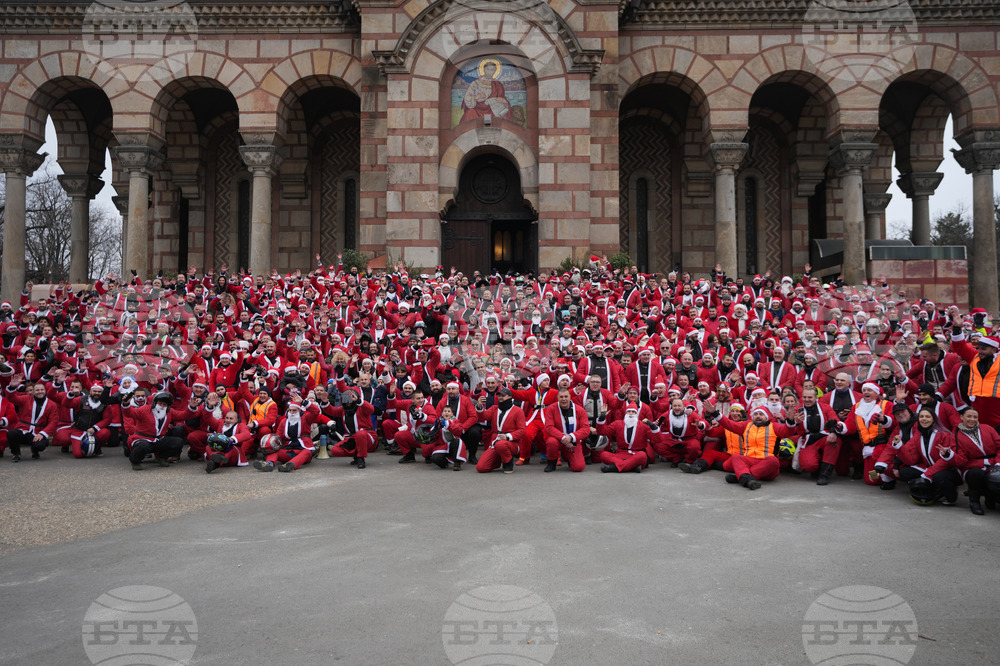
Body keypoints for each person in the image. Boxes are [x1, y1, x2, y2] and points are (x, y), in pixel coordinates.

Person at [895, 406, 964, 506]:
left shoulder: (944, 435)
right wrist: (899, 446)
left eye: (927, 416)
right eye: (921, 416)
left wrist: (928, 474)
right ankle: (933, 489)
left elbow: (945, 461)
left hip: (949, 470)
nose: (924, 419)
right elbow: (910, 460)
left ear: (933, 419)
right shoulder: (918, 435)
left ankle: (951, 496)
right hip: (930, 468)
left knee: (939, 476)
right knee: (905, 472)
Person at [951, 407, 1000, 515]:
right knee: (976, 473)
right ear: (961, 417)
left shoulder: (988, 428)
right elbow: (962, 461)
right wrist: (985, 463)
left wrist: (998, 462)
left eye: (975, 417)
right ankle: (974, 501)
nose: (972, 419)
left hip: (994, 462)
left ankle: (991, 496)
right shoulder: (956, 435)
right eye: (968, 416)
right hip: (971, 467)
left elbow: (999, 447)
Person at [475, 387, 525, 473]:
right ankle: (499, 458)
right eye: (499, 395)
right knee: (481, 467)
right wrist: (479, 406)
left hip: (512, 443)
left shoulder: (518, 411)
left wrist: (507, 436)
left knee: (501, 445)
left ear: (510, 397)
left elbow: (522, 431)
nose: (500, 397)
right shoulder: (494, 408)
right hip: (495, 442)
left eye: (503, 395)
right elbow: (483, 417)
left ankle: (508, 462)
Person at [541, 388, 590, 472]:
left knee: (578, 467)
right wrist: (563, 437)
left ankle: (569, 458)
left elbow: (586, 429)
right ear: (557, 398)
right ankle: (551, 463)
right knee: (551, 442)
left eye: (566, 396)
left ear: (570, 397)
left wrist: (571, 437)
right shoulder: (551, 408)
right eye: (561, 397)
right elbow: (548, 427)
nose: (564, 399)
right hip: (558, 439)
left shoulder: (580, 410)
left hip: (573, 441)